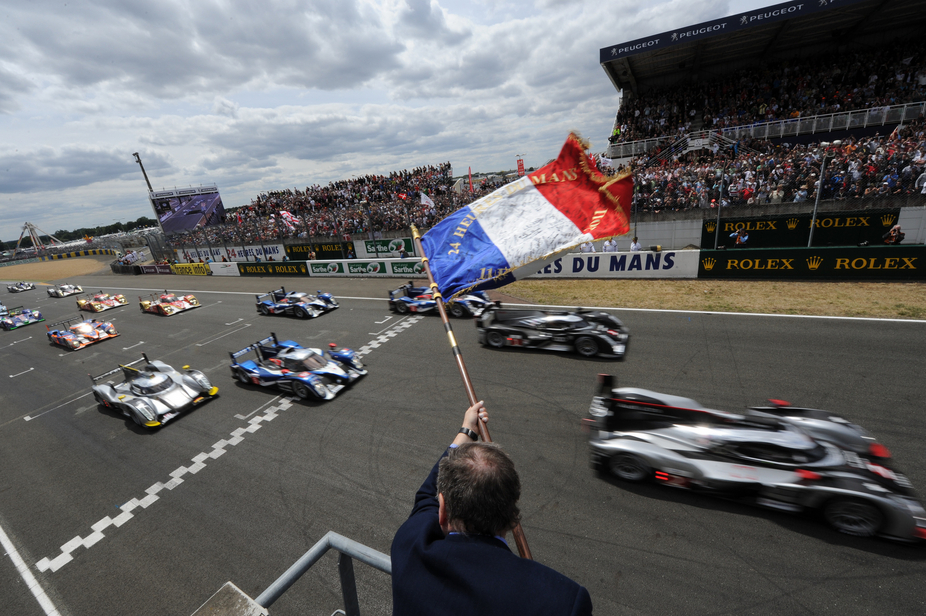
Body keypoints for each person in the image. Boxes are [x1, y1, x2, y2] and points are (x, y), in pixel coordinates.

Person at [392, 401, 593, 616]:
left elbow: (426, 496)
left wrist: (466, 431)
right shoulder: (561, 600)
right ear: (512, 516)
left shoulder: (410, 543)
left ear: (442, 512)